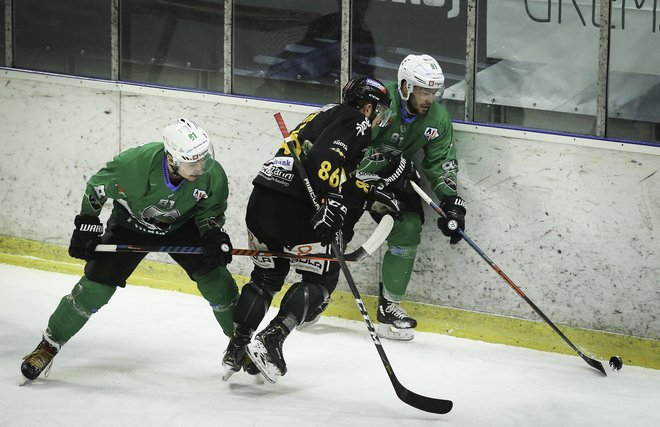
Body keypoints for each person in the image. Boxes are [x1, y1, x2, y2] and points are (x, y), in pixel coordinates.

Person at [20, 118, 238, 382]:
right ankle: (48, 345)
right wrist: (87, 223)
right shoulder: (134, 164)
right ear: (171, 158)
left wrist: (213, 232)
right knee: (95, 288)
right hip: (130, 225)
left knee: (218, 281)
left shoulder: (211, 174)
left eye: (203, 158)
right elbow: (97, 187)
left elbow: (210, 212)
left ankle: (240, 345)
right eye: (192, 162)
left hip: (182, 227)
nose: (201, 167)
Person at [221, 76, 399, 383]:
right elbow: (324, 161)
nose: (378, 119)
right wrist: (332, 202)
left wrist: (366, 193)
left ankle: (237, 346)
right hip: (294, 208)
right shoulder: (355, 119)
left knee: (266, 277)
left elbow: (328, 170)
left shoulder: (327, 114)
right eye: (379, 112)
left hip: (262, 201)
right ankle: (271, 340)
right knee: (322, 278)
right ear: (368, 108)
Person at [354, 54, 467, 341]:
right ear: (405, 86)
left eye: (433, 92)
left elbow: (440, 163)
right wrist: (381, 165)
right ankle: (317, 289)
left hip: (394, 177)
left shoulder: (437, 119)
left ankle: (389, 305)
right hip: (353, 176)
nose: (429, 98)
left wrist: (450, 200)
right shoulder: (378, 102)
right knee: (336, 225)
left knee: (408, 225)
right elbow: (351, 144)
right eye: (423, 91)